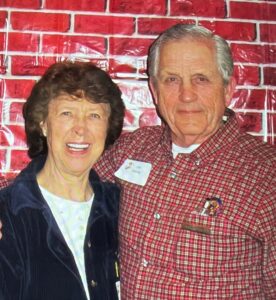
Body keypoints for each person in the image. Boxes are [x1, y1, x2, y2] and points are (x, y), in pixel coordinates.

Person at [93, 24, 276, 299]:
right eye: (171, 80)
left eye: (201, 79)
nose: (186, 94)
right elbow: (62, 179)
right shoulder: (133, 148)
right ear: (154, 90)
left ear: (228, 89)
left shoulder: (267, 176)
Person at [0, 61, 125, 300]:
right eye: (67, 113)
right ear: (43, 124)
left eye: (94, 115)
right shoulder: (8, 215)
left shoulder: (120, 207)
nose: (81, 129)